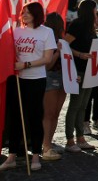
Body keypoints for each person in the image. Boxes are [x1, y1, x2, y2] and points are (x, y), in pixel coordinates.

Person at [0, 2, 56, 172]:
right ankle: (12, 156)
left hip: (36, 79)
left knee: (34, 116)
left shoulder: (47, 32)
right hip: (17, 80)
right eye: (23, 12)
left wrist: (26, 64)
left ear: (36, 14)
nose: (24, 15)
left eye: (28, 12)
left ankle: (36, 155)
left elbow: (47, 59)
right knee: (16, 117)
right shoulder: (15, 31)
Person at [63, 0, 98, 153]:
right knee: (75, 105)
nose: (96, 12)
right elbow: (64, 44)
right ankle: (70, 140)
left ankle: (80, 137)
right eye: (95, 9)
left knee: (83, 106)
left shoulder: (91, 27)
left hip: (89, 70)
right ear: (90, 10)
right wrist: (79, 54)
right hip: (78, 69)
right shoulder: (77, 24)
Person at [41, 12, 66, 161]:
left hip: (63, 78)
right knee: (49, 114)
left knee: (55, 113)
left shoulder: (62, 40)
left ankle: (48, 144)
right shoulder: (49, 41)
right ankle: (46, 146)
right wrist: (57, 52)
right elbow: (48, 65)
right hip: (51, 77)